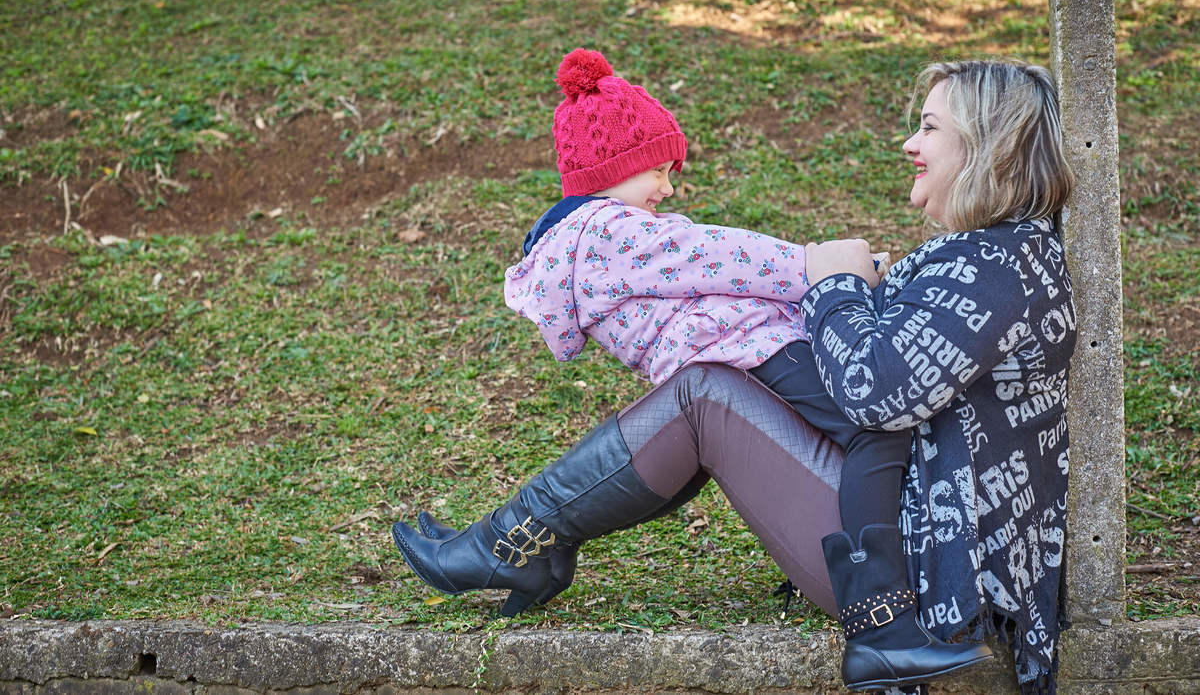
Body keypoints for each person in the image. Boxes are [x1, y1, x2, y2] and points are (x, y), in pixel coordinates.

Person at [392, 58, 1075, 695]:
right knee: (706, 387)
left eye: (929, 127)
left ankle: (514, 543)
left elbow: (878, 394)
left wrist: (832, 283)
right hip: (920, 531)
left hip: (930, 561)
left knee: (702, 395)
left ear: (990, 148)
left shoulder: (998, 265)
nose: (909, 143)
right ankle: (519, 544)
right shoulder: (995, 257)